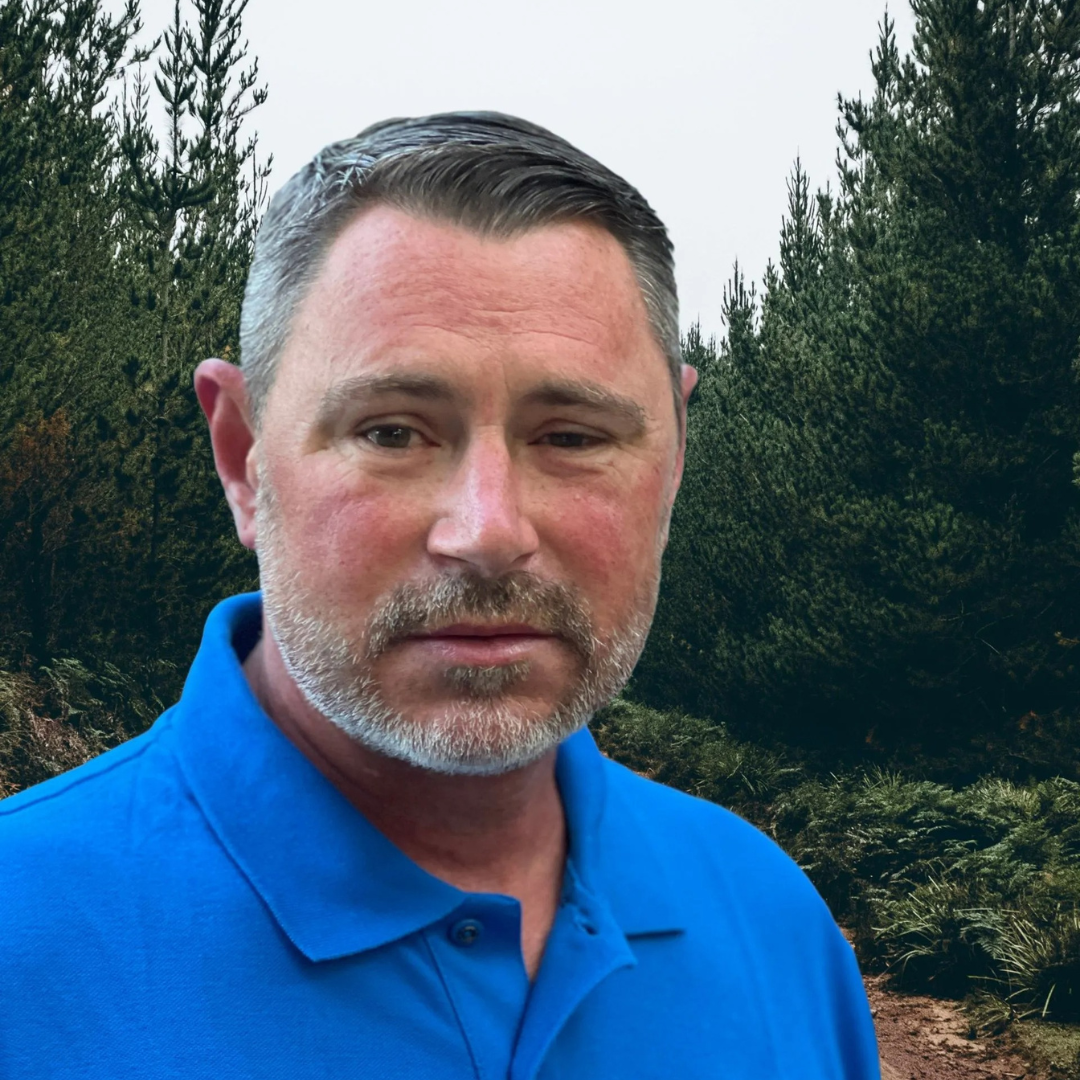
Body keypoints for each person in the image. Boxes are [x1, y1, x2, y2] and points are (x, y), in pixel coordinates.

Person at [0, 112, 880, 1079]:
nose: (489, 531)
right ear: (244, 458)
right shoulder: (23, 942)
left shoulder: (772, 923)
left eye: (572, 436)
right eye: (392, 432)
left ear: (671, 462)